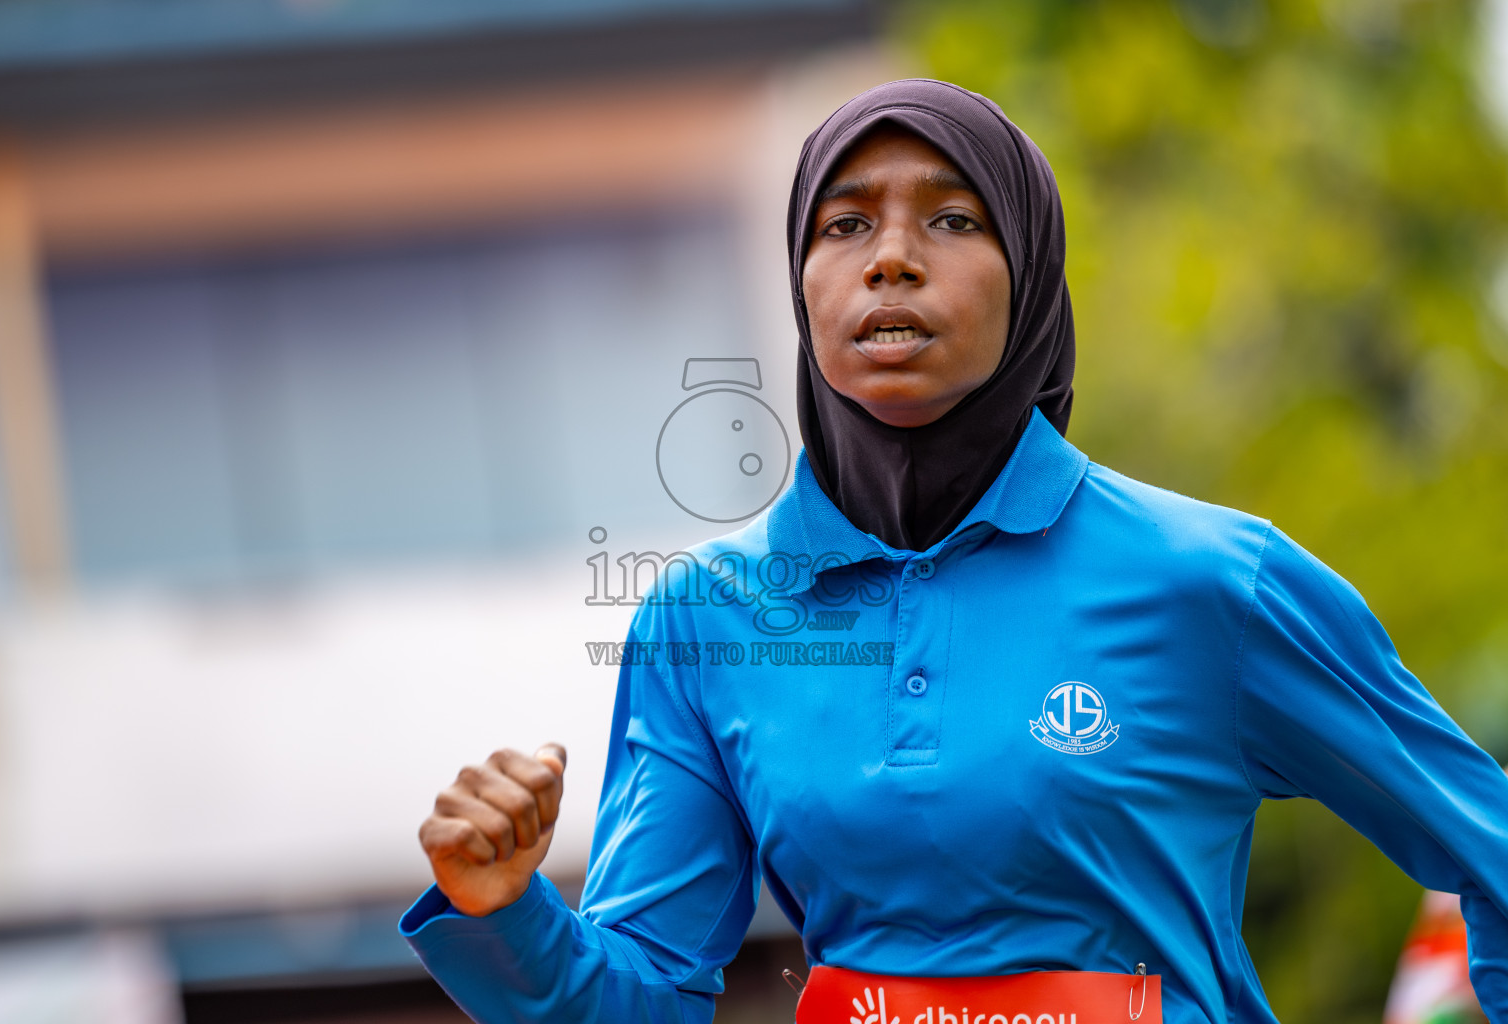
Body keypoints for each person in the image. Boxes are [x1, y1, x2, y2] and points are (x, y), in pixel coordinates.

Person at [398, 79, 1508, 1024]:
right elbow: (645, 992)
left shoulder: (1209, 581)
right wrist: (508, 912)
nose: (890, 260)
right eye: (844, 224)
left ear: (1027, 276)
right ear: (801, 281)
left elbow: (1488, 842)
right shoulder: (710, 618)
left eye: (952, 220)